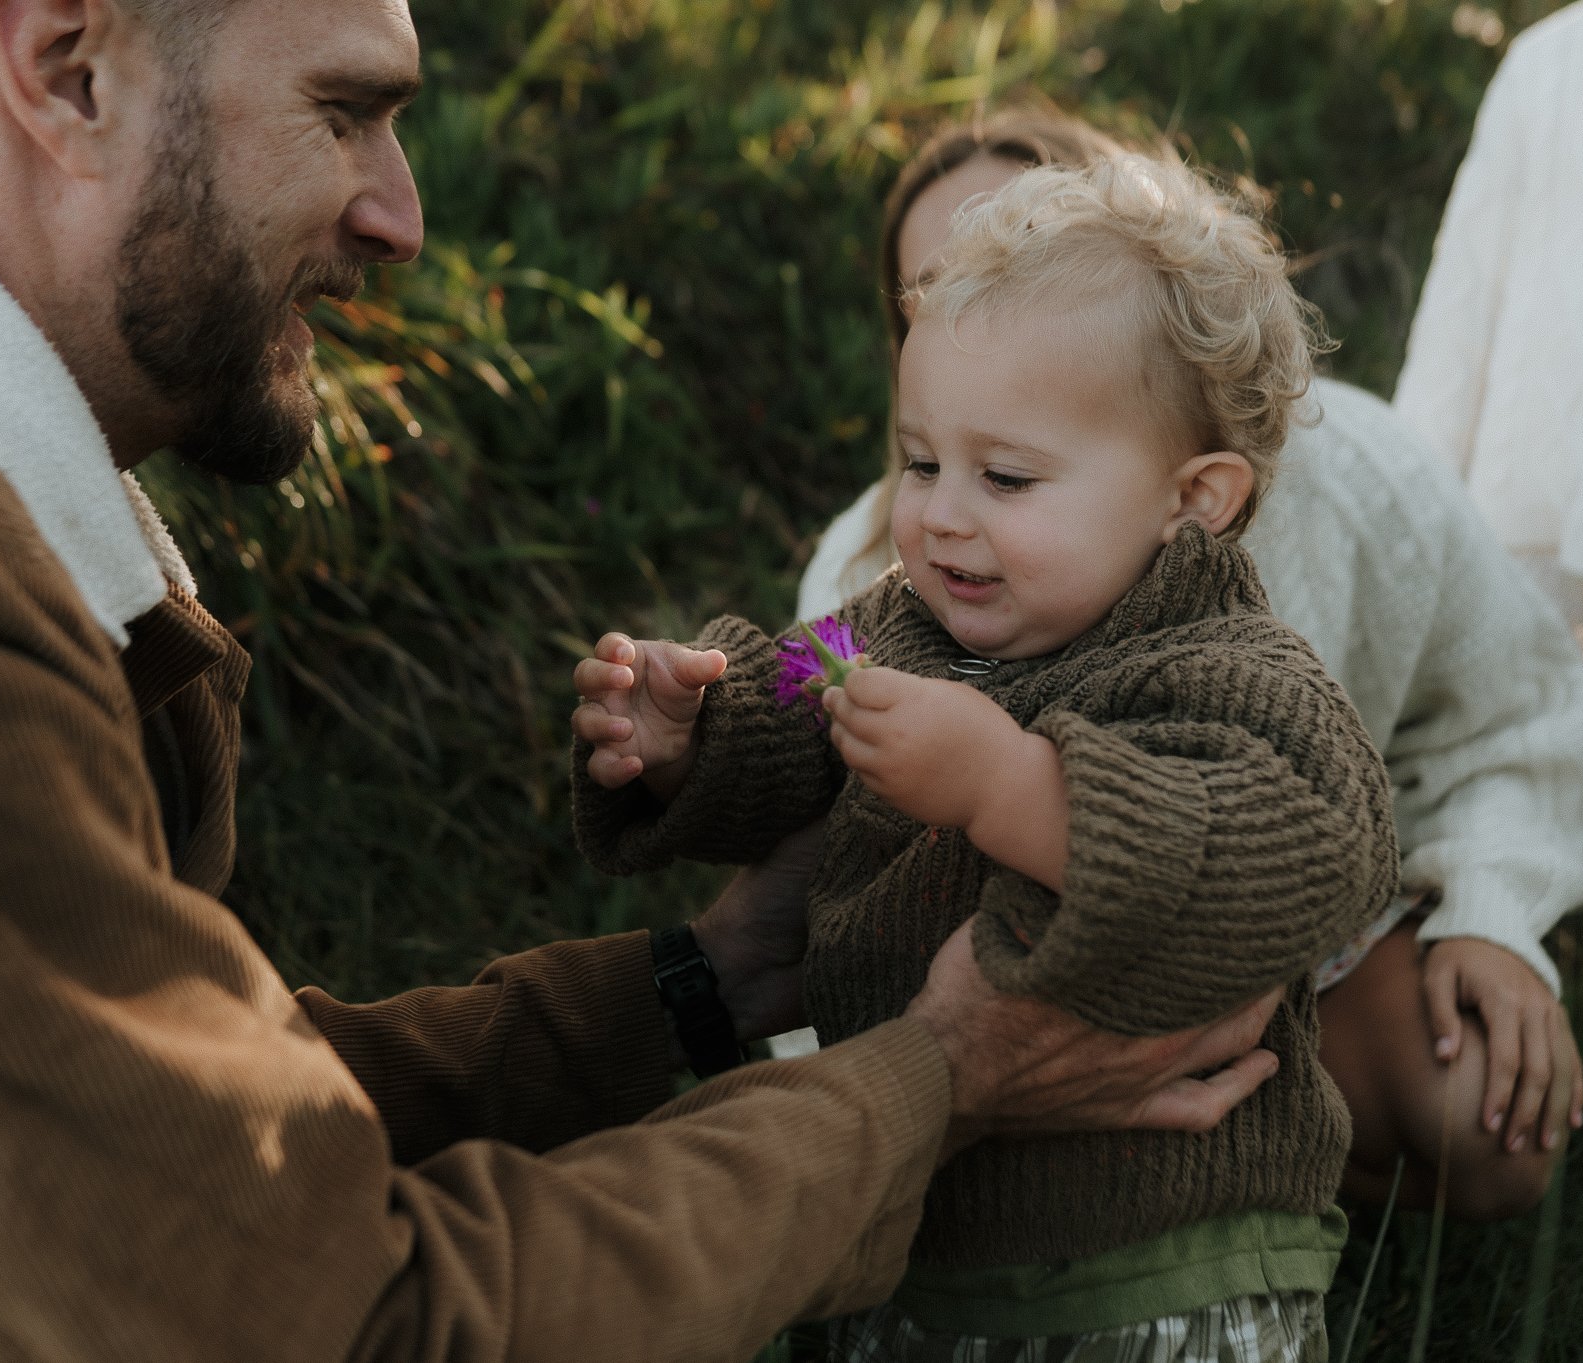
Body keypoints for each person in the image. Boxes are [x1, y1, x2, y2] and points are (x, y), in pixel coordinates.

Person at [0, 2, 1293, 1359]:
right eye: (345, 112)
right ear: (67, 69)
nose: (401, 213)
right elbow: (332, 1320)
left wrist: (697, 986)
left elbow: (161, 1138)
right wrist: (937, 1073)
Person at [572, 155, 1398, 1359]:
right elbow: (808, 692)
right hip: (910, 1217)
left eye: (1004, 476)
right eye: (918, 462)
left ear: (1196, 498)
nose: (942, 515)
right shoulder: (905, 618)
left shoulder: (1228, 670)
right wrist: (693, 730)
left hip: (1150, 1261)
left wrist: (1014, 786)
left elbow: (1303, 851)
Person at [799, 110, 1583, 1221]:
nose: (987, 306)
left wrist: (1490, 905)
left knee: (1485, 1124)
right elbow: (809, 754)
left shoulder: (1357, 473)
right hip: (1006, 957)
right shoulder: (879, 566)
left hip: (1289, 926)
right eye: (939, 289)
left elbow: (1516, 708)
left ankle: (1273, 1146)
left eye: (1037, 250)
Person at [1394, 0, 1583, 675]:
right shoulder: (1548, 64)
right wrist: (1415, 509)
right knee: (1504, 749)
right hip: (1539, 491)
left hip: (1544, 483)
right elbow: (1464, 305)